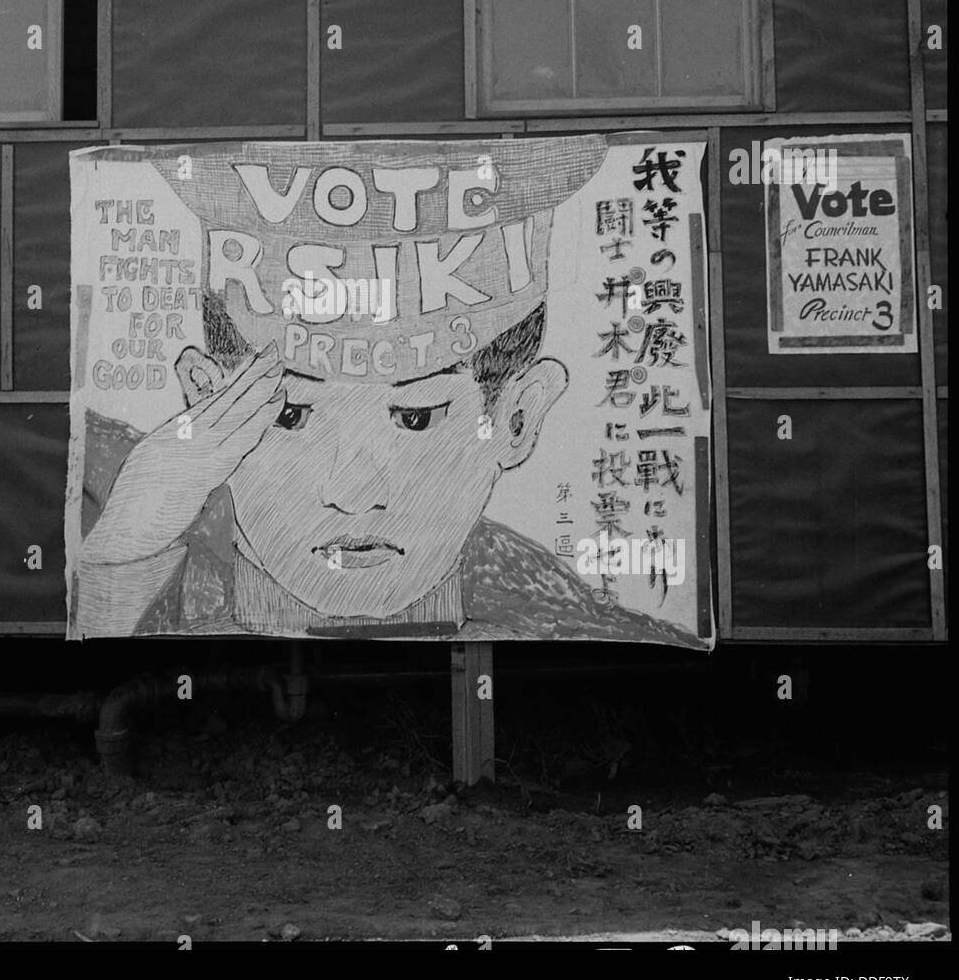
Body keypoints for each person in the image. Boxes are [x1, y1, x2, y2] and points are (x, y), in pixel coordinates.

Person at [70, 136, 704, 649]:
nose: (352, 493)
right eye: (289, 414)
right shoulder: (179, 596)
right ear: (204, 404)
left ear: (518, 418)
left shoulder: (563, 615)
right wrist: (122, 548)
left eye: (419, 418)